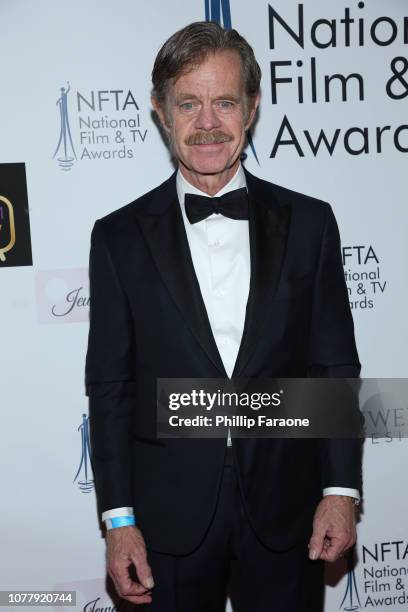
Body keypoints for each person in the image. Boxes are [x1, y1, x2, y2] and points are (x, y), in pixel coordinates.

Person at [85, 21, 362, 612]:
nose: (207, 122)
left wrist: (340, 490)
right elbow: (110, 389)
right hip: (167, 521)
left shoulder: (311, 224)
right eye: (188, 103)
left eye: (224, 102)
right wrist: (118, 520)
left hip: (288, 512)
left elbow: (332, 366)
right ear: (162, 112)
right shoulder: (117, 239)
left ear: (252, 107)